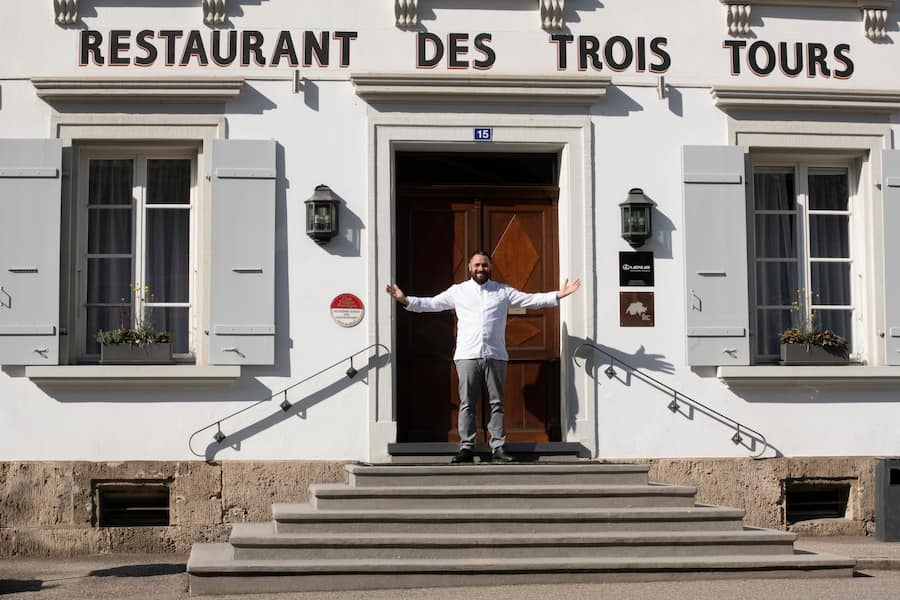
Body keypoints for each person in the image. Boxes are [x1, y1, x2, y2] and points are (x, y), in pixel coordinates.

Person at [385, 250, 581, 463]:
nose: (480, 269)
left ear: (490, 268)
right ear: (470, 268)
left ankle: (498, 446)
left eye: (484, 265)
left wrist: (558, 295)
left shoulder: (502, 291)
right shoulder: (458, 291)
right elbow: (433, 304)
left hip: (495, 355)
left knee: (496, 403)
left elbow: (530, 300)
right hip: (467, 355)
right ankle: (466, 447)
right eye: (477, 265)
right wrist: (405, 300)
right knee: (467, 403)